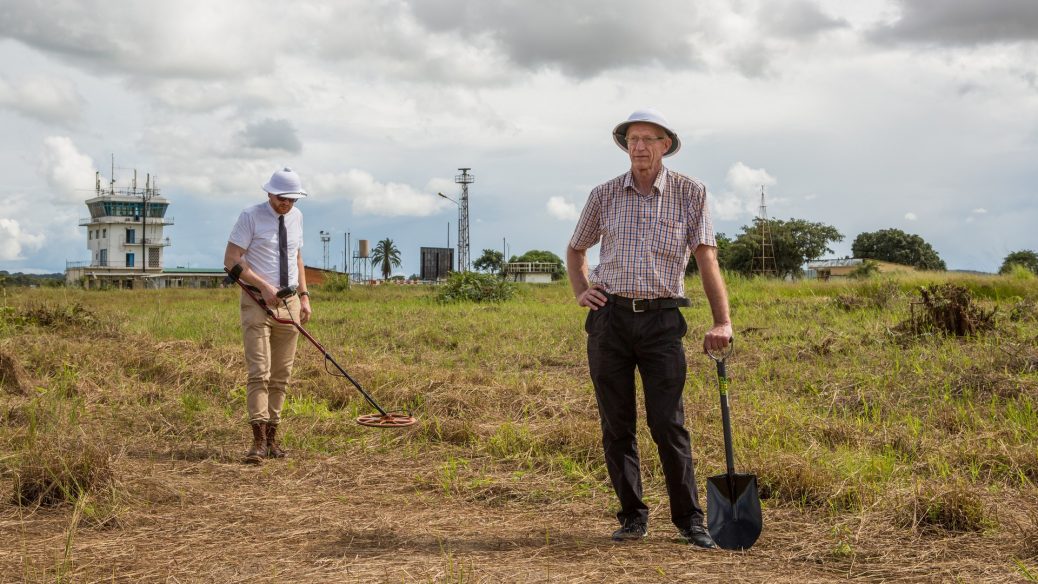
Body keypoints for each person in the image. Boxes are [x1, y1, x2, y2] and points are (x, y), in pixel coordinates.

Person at [566, 109, 733, 548]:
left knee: (668, 423)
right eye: (632, 139)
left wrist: (722, 321)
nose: (638, 146)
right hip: (610, 320)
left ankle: (690, 521)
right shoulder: (604, 194)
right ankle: (633, 517)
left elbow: (706, 259)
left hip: (662, 321)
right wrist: (583, 290)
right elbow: (576, 248)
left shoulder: (690, 193)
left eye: (648, 139)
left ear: (666, 145)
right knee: (616, 424)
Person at [224, 167, 313, 465]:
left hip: (289, 303)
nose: (287, 204)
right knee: (259, 372)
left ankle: (273, 438)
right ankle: (258, 441)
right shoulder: (250, 216)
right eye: (282, 198)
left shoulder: (297, 218)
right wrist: (263, 287)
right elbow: (230, 260)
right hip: (256, 301)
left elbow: (297, 258)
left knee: (281, 375)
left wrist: (304, 296)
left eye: (292, 199)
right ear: (269, 193)